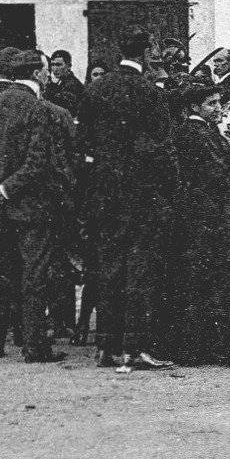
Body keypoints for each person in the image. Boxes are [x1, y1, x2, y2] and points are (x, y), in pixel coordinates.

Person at [76, 27, 176, 369]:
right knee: (141, 272)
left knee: (108, 269)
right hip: (141, 195)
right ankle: (136, 347)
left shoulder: (96, 89)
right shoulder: (151, 94)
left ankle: (107, 346)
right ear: (146, 54)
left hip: (104, 194)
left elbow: (83, 142)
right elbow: (162, 149)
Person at [0, 49, 74, 362]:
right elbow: (38, 163)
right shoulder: (39, 110)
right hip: (32, 208)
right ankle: (34, 345)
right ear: (37, 74)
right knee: (33, 277)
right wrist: (5, 189)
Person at [168, 82, 230, 366]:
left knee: (199, 281)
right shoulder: (199, 135)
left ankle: (199, 346)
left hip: (197, 214)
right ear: (194, 107)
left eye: (219, 102)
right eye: (212, 104)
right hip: (211, 215)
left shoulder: (193, 133)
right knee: (222, 280)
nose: (218, 108)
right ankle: (229, 347)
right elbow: (218, 173)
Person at [44, 49, 84, 115]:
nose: (55, 69)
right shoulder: (59, 82)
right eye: (52, 65)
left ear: (69, 66)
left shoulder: (73, 85)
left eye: (58, 65)